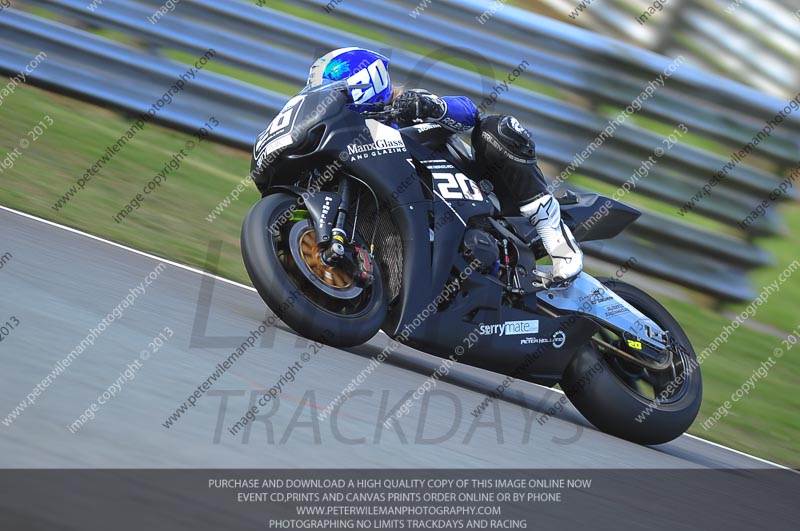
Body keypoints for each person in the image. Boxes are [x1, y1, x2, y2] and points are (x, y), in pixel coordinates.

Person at [306, 47, 583, 284]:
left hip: (478, 198)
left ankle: (557, 240)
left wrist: (432, 106)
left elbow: (469, 112)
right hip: (411, 225)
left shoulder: (406, 106)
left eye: (334, 92)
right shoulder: (346, 141)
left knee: (497, 128)